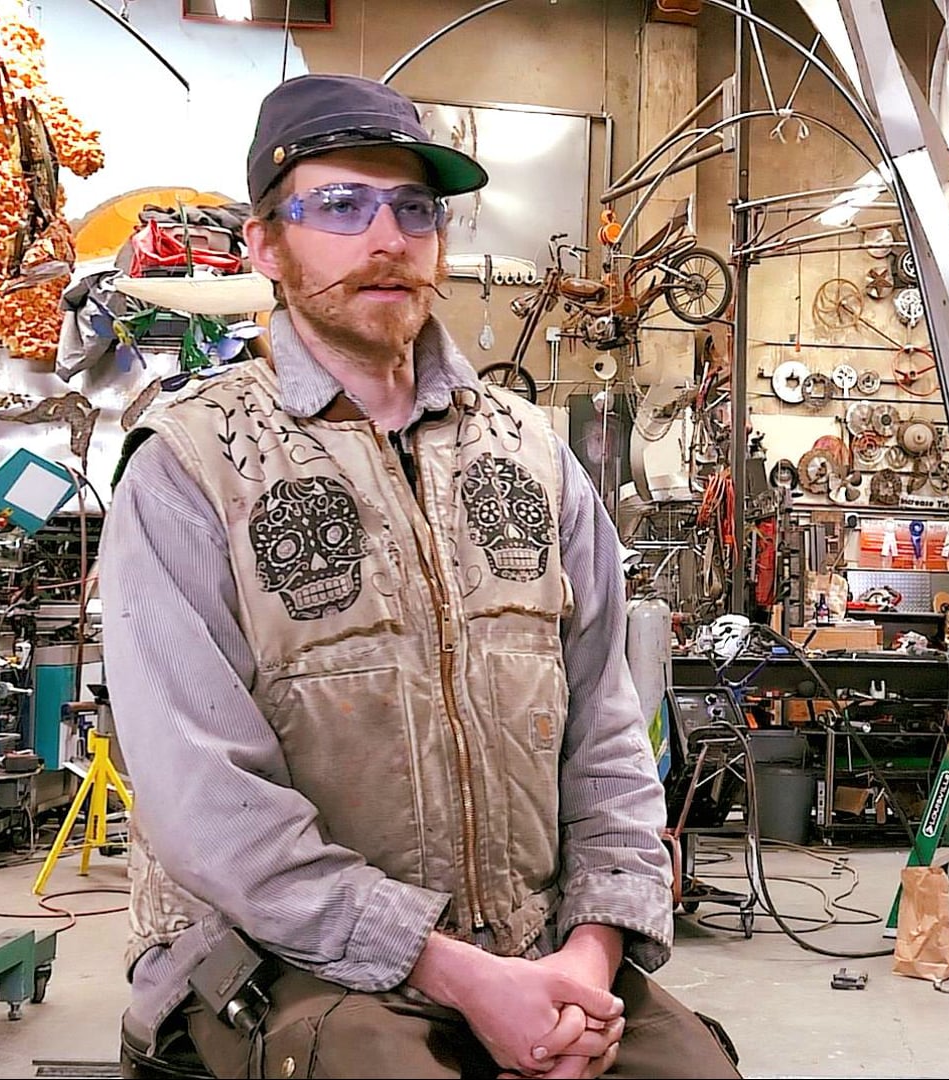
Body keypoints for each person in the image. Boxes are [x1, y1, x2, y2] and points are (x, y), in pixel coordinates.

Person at [102, 74, 740, 1079]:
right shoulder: (193, 468)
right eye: (340, 206)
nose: (386, 238)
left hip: (533, 942)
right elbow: (207, 805)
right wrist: (457, 975)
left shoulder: (532, 455)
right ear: (265, 245)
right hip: (285, 957)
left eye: (413, 208)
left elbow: (607, 732)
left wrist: (589, 951)